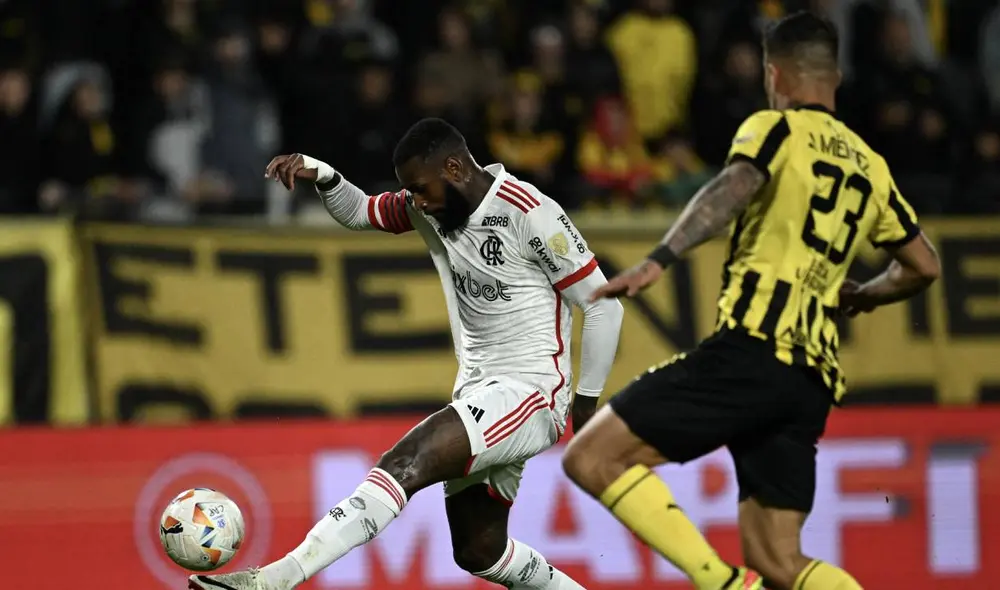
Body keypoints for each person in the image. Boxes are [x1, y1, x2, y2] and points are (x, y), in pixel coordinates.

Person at [562, 11, 940, 590]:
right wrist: (864, 296)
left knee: (592, 457)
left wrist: (659, 259)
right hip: (810, 379)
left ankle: (719, 582)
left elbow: (733, 187)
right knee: (780, 563)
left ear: (774, 74)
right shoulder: (872, 167)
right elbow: (924, 265)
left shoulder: (775, 129)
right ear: (834, 76)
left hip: (754, 349)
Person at [188, 118, 624, 590]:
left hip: (532, 392)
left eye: (419, 189)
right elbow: (361, 211)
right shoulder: (434, 206)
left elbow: (604, 305)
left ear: (454, 168)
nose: (416, 201)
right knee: (479, 551)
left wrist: (586, 404)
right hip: (480, 389)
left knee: (405, 462)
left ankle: (272, 581)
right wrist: (323, 174)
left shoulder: (529, 212)